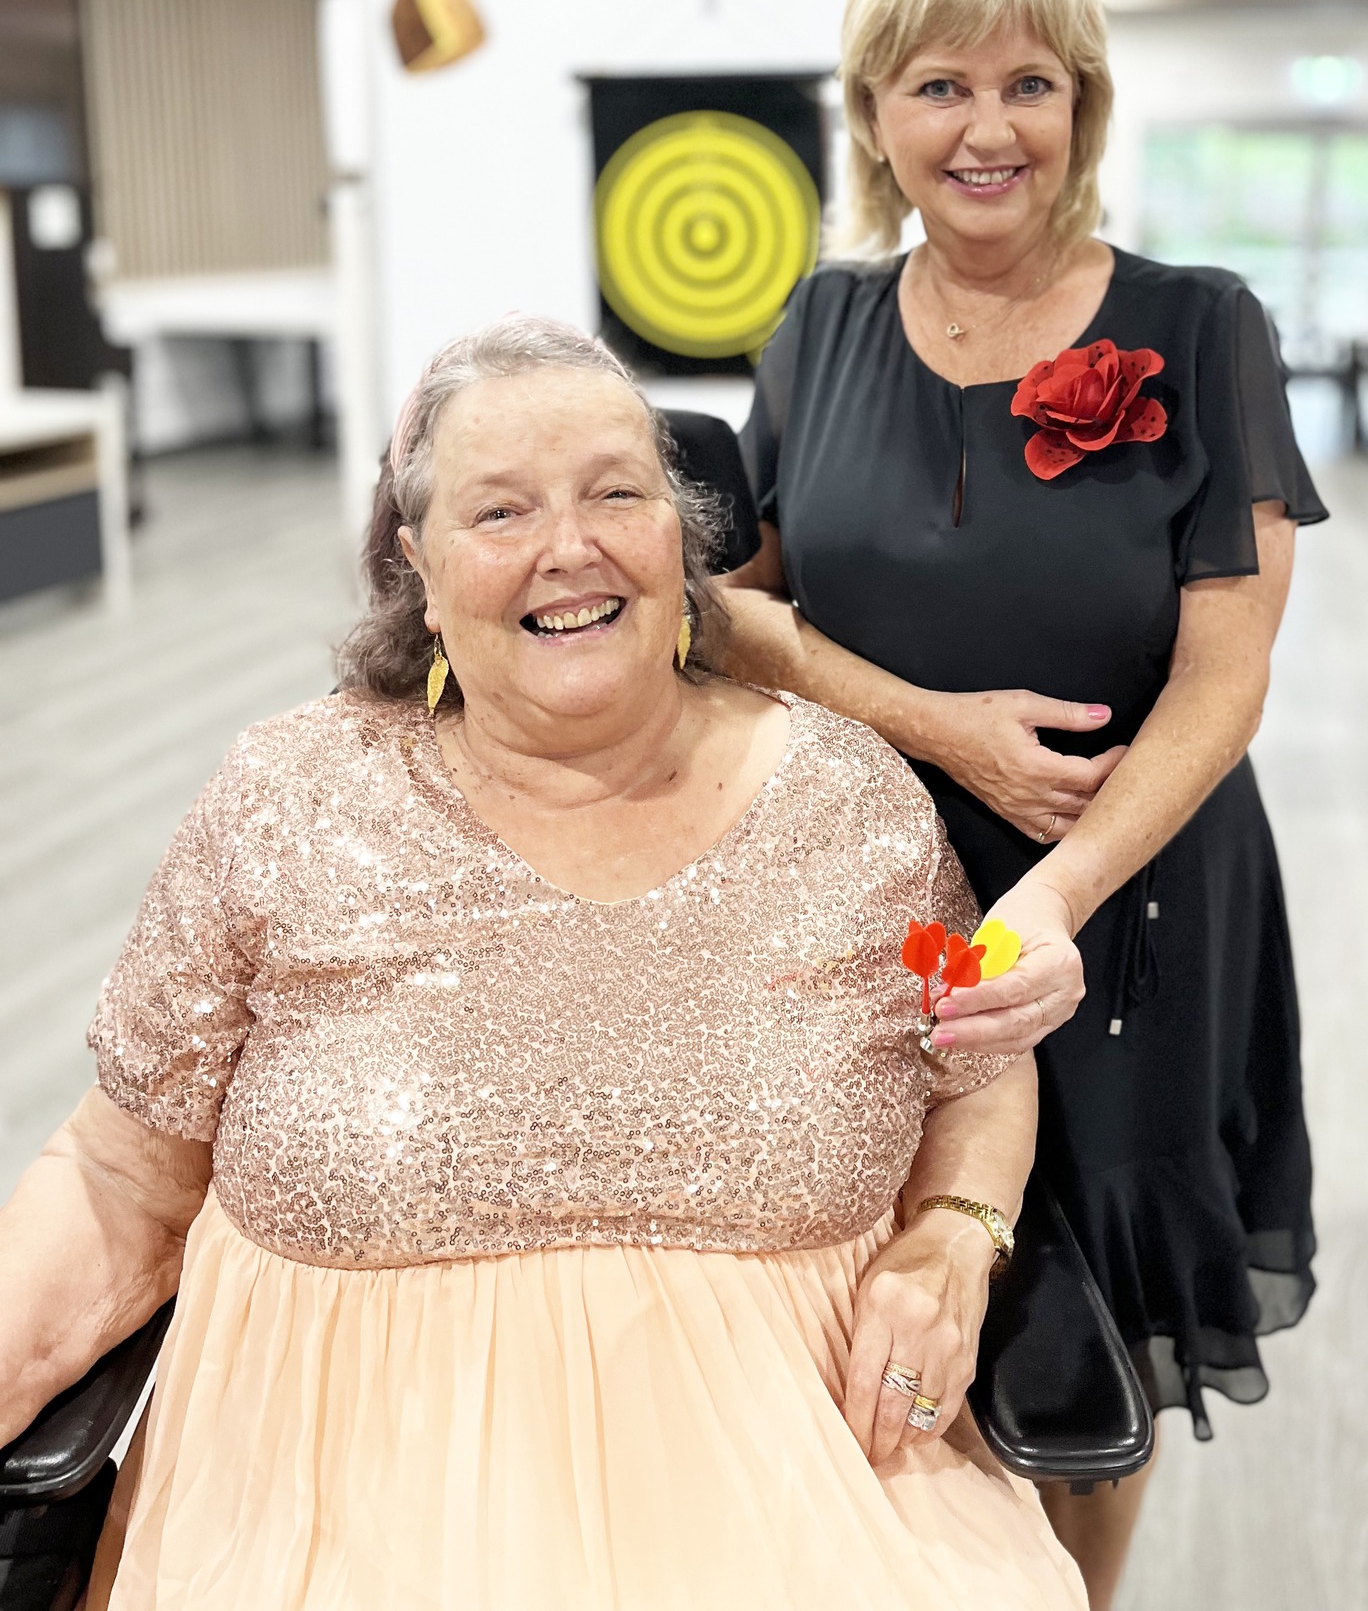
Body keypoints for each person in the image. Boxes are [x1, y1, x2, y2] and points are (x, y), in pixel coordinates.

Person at [0, 315, 1087, 1611]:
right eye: (500, 511)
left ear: (680, 536)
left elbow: (973, 1050)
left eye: (615, 494)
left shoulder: (848, 803)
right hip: (326, 1519)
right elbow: (120, 1179)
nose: (569, 548)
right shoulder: (287, 800)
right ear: (419, 567)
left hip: (803, 1503)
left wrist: (958, 1236)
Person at [717, 0, 1326, 1608]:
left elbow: (1227, 678)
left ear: (1084, 110)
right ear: (874, 117)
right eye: (939, 85)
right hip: (878, 891)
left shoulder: (1202, 328)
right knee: (896, 1271)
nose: (987, 128)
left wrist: (1053, 894)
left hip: (1125, 896)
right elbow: (737, 611)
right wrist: (939, 732)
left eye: (1029, 83)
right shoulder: (820, 330)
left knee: (1095, 1333)